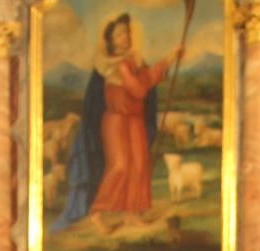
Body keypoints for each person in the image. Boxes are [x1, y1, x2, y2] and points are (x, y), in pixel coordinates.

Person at [54, 14, 182, 231]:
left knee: (139, 164)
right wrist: (166, 61)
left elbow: (144, 81)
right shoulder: (116, 65)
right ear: (111, 41)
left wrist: (166, 62)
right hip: (116, 121)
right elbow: (139, 89)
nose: (126, 36)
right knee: (120, 166)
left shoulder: (134, 60)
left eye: (127, 32)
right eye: (119, 34)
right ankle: (97, 212)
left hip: (135, 119)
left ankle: (133, 213)